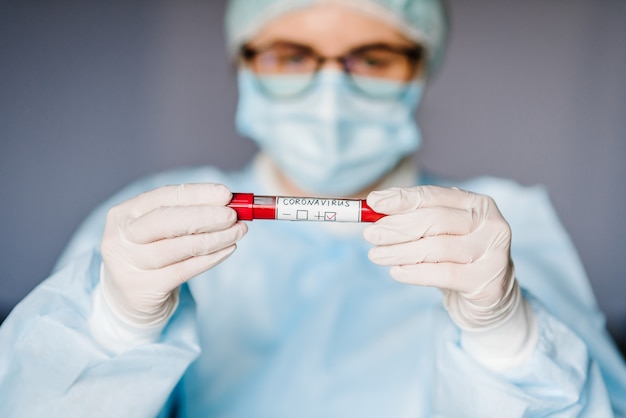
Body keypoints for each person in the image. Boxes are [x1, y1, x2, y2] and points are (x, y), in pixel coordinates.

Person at [1, 0, 625, 416]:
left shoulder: (496, 230)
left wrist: (509, 341)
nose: (331, 90)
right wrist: (113, 327)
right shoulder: (151, 223)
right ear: (243, 64)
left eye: (375, 57)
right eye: (290, 55)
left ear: (421, 68)